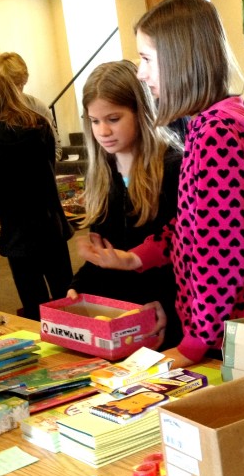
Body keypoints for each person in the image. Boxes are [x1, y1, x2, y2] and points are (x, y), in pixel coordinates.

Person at [80, 0, 244, 367]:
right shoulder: (207, 125)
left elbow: (220, 254)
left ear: (180, 60)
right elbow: (194, 224)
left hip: (230, 333)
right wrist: (135, 258)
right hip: (226, 327)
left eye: (147, 59)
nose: (142, 73)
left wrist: (194, 343)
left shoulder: (216, 134)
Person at [68, 60, 183, 348]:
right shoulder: (104, 172)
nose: (103, 131)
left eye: (113, 119)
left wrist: (167, 305)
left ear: (140, 112)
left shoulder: (173, 168)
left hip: (167, 317)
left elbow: (186, 255)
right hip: (120, 318)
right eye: (95, 121)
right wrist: (78, 285)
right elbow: (107, 252)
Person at [0, 72, 73, 319]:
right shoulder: (40, 125)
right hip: (51, 224)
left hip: (19, 234)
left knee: (34, 304)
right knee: (66, 296)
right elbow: (50, 167)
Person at [0, 51, 62, 158]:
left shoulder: (38, 106)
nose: (18, 91)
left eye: (21, 84)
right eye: (12, 86)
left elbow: (57, 148)